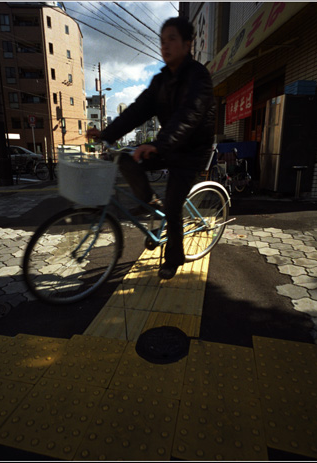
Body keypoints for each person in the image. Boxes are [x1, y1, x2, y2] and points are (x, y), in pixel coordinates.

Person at [87, 16, 216, 280]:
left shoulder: (198, 76)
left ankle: (173, 258)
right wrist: (106, 134)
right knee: (126, 159)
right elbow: (136, 111)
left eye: (172, 39)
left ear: (187, 44)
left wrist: (158, 144)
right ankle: (147, 201)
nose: (165, 45)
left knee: (172, 204)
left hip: (192, 151)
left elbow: (188, 116)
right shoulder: (160, 81)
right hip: (169, 145)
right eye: (162, 40)